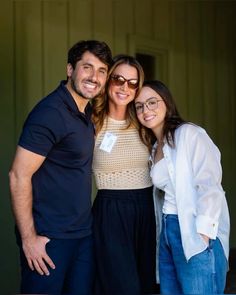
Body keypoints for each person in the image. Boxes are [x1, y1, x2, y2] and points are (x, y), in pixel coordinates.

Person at [8, 40, 112, 294]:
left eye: (101, 71)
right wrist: (29, 239)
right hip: (49, 239)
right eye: (87, 67)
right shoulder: (50, 112)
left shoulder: (86, 112)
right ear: (69, 69)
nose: (94, 77)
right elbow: (18, 175)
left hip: (82, 235)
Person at [134, 79, 230, 294]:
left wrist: (202, 235)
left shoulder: (189, 133)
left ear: (166, 103)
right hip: (167, 231)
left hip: (193, 229)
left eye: (152, 102)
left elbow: (209, 183)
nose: (145, 110)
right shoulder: (156, 146)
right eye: (139, 106)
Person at [92, 55, 158, 295]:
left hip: (147, 209)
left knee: (147, 283)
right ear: (108, 80)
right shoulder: (91, 122)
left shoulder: (144, 120)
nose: (124, 87)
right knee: (122, 286)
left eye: (132, 83)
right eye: (118, 79)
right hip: (110, 211)